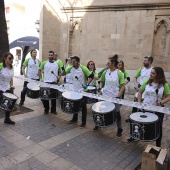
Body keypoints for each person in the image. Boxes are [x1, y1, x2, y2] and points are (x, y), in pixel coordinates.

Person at [127, 67, 170, 146]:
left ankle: (158, 145)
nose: (150, 74)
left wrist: (161, 102)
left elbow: (168, 96)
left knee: (158, 127)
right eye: (151, 72)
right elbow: (140, 92)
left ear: (158, 75)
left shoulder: (164, 85)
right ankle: (134, 137)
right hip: (145, 107)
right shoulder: (147, 82)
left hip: (158, 110)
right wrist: (139, 103)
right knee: (139, 123)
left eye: (153, 73)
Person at [92, 54, 125, 137]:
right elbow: (101, 81)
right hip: (105, 95)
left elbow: (123, 86)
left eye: (109, 62)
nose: (107, 63)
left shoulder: (119, 73)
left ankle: (119, 129)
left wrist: (118, 95)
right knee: (101, 110)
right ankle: (98, 125)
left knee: (117, 113)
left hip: (115, 96)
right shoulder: (105, 71)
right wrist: (101, 88)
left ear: (113, 63)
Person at [65, 56, 93, 128]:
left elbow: (91, 76)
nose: (72, 63)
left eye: (74, 61)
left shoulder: (83, 68)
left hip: (83, 91)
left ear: (78, 62)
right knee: (75, 105)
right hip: (75, 90)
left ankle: (83, 122)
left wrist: (87, 84)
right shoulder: (70, 68)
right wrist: (63, 70)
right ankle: (74, 119)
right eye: (72, 61)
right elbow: (63, 72)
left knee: (83, 107)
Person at [39, 50, 61, 115]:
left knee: (53, 98)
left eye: (51, 55)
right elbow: (39, 70)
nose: (50, 56)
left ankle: (53, 110)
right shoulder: (44, 63)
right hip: (46, 82)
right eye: (49, 55)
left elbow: (61, 71)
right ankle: (46, 109)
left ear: (53, 55)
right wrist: (41, 78)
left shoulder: (57, 63)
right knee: (45, 98)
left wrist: (59, 76)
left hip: (54, 83)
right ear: (48, 56)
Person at [0, 52, 15, 124]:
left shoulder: (12, 68)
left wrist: (12, 85)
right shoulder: (0, 66)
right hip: (0, 88)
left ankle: (7, 119)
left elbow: (11, 78)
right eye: (9, 58)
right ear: (5, 59)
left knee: (8, 104)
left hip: (8, 88)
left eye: (12, 58)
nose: (11, 60)